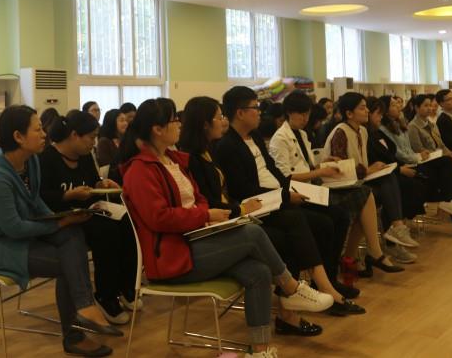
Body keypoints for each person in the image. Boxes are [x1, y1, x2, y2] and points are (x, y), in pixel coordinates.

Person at [120, 98, 333, 358]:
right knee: (253, 233)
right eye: (174, 120)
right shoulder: (140, 170)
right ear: (157, 129)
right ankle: (290, 288)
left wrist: (205, 215)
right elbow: (159, 218)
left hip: (194, 240)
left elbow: (198, 197)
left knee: (258, 271)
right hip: (172, 257)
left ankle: (260, 350)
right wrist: (204, 215)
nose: (179, 124)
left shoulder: (173, 161)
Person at [0, 105, 116, 357]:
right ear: (18, 137)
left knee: (73, 234)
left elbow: (36, 203)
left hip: (18, 235)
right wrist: (60, 223)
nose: (45, 134)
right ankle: (76, 328)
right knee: (69, 260)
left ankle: (84, 308)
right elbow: (13, 227)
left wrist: (63, 219)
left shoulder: (30, 161)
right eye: (38, 129)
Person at [180, 96, 341, 336]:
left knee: (310, 222)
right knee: (286, 229)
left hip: (234, 213)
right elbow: (211, 201)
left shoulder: (209, 150)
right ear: (204, 123)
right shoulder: (201, 154)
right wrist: (241, 209)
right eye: (218, 117)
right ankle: (296, 294)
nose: (222, 121)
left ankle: (295, 303)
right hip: (218, 224)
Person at [215, 87, 366, 314]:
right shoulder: (228, 146)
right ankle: (323, 289)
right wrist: (285, 196)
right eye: (255, 107)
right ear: (240, 113)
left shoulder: (255, 137)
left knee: (337, 215)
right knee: (309, 222)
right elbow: (243, 189)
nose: (259, 112)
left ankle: (327, 281)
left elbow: (275, 172)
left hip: (280, 195)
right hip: (262, 205)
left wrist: (289, 190)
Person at [39, 110, 138, 325]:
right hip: (64, 218)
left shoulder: (84, 157)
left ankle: (126, 286)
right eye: (91, 137)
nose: (93, 143)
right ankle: (105, 295)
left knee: (127, 222)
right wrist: (68, 196)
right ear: (74, 135)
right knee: (106, 232)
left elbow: (93, 184)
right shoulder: (47, 158)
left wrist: (102, 184)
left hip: (88, 212)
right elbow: (41, 197)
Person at [379, 95, 452, 237]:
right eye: (394, 105)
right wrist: (419, 155)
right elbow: (400, 153)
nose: (399, 106)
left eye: (399, 104)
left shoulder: (402, 125)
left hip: (419, 160)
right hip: (411, 164)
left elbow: (420, 148)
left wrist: (427, 154)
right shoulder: (403, 127)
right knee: (449, 168)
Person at [320, 92, 407, 273]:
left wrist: (371, 169)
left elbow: (360, 166)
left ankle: (350, 259)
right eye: (362, 107)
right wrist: (367, 170)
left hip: (355, 184)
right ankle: (373, 252)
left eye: (366, 107)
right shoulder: (340, 132)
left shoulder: (363, 131)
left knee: (380, 185)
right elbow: (340, 168)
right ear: (349, 113)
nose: (367, 110)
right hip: (336, 188)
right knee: (367, 197)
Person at [364, 97, 424, 264]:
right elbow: (374, 160)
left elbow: (391, 152)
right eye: (377, 114)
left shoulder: (377, 132)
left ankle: (398, 230)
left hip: (387, 172)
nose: (380, 117)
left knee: (413, 183)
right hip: (375, 177)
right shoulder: (366, 134)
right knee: (399, 185)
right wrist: (399, 169)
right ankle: (394, 236)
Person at [96, 109, 128, 177]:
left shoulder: (126, 140)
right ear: (112, 122)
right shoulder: (104, 142)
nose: (125, 123)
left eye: (126, 120)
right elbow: (106, 168)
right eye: (122, 120)